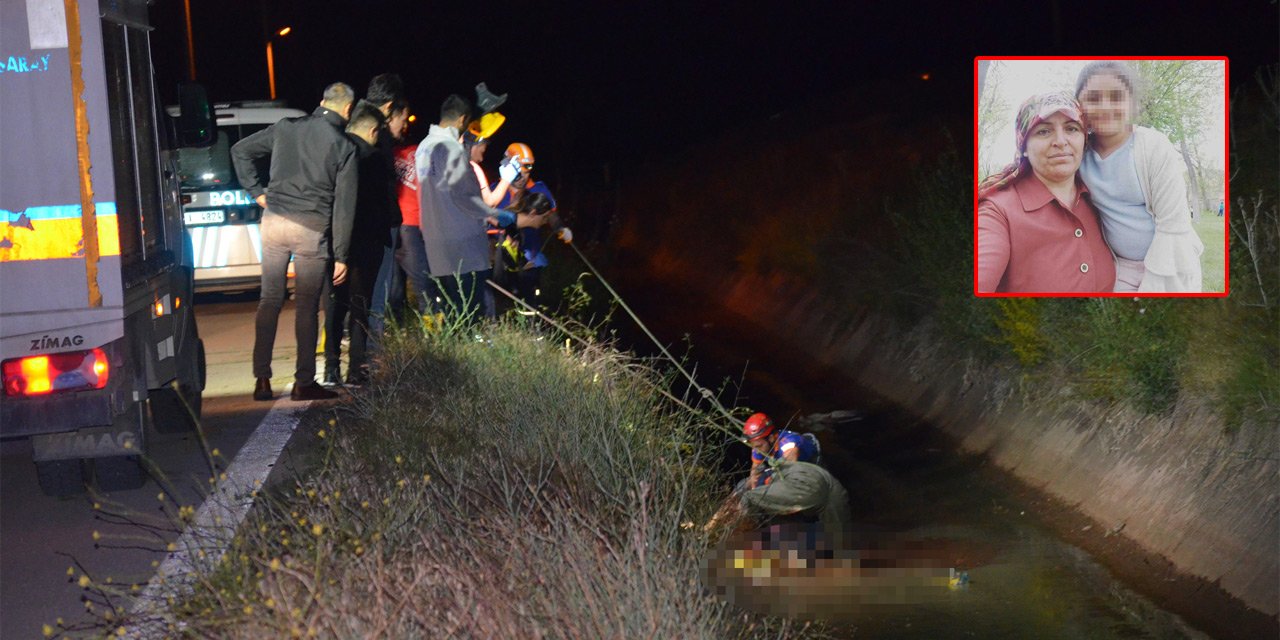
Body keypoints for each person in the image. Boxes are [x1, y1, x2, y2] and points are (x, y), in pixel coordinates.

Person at [231, 82, 358, 401]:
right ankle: (304, 382)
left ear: (322, 101)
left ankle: (261, 379)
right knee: (306, 306)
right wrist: (341, 253)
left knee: (269, 299)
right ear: (347, 110)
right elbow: (345, 206)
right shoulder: (344, 146)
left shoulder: (286, 128)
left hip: (273, 223)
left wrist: (256, 191)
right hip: (310, 229)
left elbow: (240, 150)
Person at [1075, 61, 1204, 292]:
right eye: (1093, 98)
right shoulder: (1078, 154)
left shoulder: (1153, 147)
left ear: (1133, 104)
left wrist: (1153, 286)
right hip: (1120, 266)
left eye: (1116, 97)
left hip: (1170, 262)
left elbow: (1173, 225)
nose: (1105, 107)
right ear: (1079, 106)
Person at [415, 94, 542, 320]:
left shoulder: (424, 147)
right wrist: (509, 218)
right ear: (463, 119)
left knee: (453, 315)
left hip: (438, 248)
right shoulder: (450, 149)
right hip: (462, 251)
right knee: (467, 319)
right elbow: (469, 201)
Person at [977, 92, 1116, 293]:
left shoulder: (1100, 198)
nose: (1060, 141)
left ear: (1084, 140)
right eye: (1043, 131)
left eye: (1071, 128)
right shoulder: (997, 211)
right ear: (1023, 146)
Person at [323, 102, 391, 386]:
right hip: (367, 240)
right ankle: (356, 368)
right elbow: (384, 201)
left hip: (334, 239)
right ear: (373, 131)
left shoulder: (333, 150)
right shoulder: (374, 158)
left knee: (334, 304)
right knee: (360, 305)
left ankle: (330, 367)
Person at [492, 143, 573, 306]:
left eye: (526, 172)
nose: (523, 178)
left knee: (530, 303)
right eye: (519, 173)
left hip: (531, 259)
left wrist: (560, 228)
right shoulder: (495, 192)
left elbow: (551, 214)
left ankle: (531, 328)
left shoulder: (539, 190)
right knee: (499, 302)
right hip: (501, 261)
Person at [743, 412, 821, 489]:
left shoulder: (788, 443)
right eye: (753, 446)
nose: (756, 451)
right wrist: (753, 488)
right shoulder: (759, 447)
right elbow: (755, 472)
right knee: (748, 484)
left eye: (759, 446)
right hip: (781, 462)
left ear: (771, 438)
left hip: (810, 461)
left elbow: (788, 470)